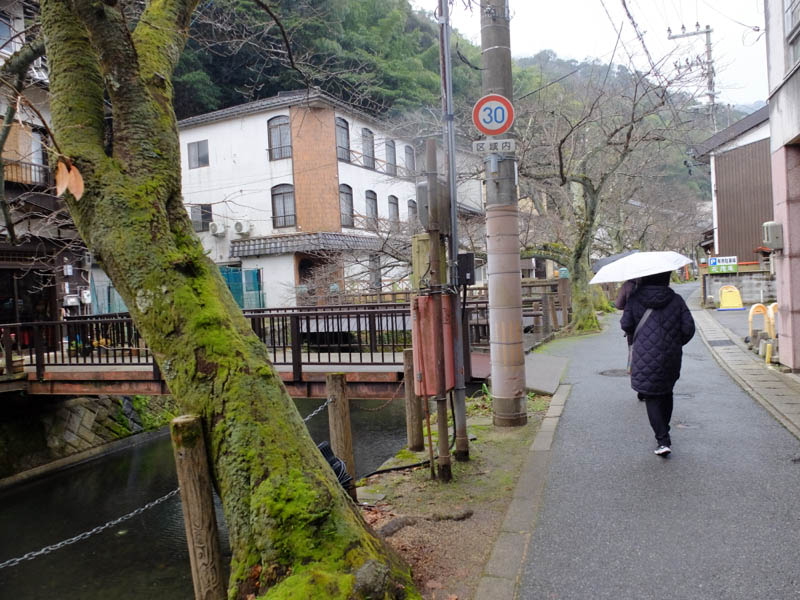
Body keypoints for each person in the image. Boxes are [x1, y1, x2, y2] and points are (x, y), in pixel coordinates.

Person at [620, 271, 695, 457]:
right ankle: (664, 430)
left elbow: (626, 324)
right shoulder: (676, 299)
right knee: (666, 391)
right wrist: (676, 343)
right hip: (671, 355)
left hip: (644, 354)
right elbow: (688, 328)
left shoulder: (635, 299)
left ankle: (662, 439)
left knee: (651, 396)